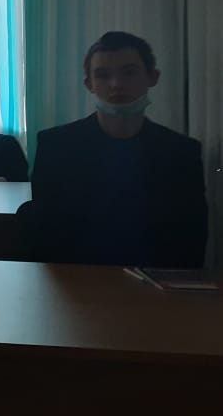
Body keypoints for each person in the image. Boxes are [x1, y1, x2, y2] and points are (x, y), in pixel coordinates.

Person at [26, 31, 206, 268]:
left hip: (156, 282)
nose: (116, 84)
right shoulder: (55, 146)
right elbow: (45, 235)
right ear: (89, 84)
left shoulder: (182, 152)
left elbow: (191, 240)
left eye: (129, 72)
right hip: (76, 280)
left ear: (152, 77)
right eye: (102, 75)